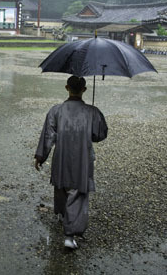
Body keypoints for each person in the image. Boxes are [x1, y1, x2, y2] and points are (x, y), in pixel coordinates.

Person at [34, 76, 107, 249]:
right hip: (82, 158)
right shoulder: (92, 112)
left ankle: (62, 214)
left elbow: (48, 136)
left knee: (61, 186)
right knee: (77, 192)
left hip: (62, 156)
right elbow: (100, 135)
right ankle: (69, 235)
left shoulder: (56, 111)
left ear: (67, 87)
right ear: (85, 89)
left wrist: (40, 156)